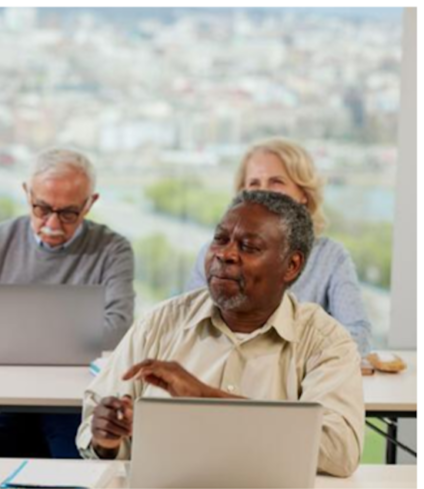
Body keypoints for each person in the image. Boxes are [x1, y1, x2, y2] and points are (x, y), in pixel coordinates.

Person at [78, 191, 364, 478]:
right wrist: (106, 440)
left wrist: (204, 398)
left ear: (291, 266)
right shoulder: (161, 323)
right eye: (220, 239)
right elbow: (96, 427)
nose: (225, 254)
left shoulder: (324, 341)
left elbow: (339, 451)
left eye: (249, 246)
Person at [0, 148, 135, 458]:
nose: (52, 224)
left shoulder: (113, 250)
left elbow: (119, 328)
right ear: (26, 194)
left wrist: (22, 335)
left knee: (78, 462)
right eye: (41, 208)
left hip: (71, 396)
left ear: (90, 204)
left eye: (69, 213)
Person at [185, 137, 372, 356]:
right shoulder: (216, 255)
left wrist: (278, 361)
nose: (263, 193)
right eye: (254, 183)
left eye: (276, 182)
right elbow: (189, 327)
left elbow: (358, 336)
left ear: (304, 194)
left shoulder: (331, 258)